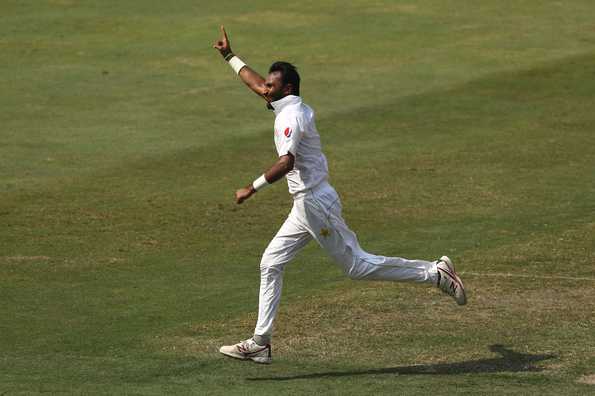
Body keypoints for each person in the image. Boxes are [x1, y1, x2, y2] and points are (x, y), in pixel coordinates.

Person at [212, 26, 466, 364]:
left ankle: (434, 273)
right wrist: (230, 56)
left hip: (316, 203)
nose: (264, 89)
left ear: (285, 88)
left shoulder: (292, 117)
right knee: (270, 263)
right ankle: (261, 342)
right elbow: (256, 83)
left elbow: (287, 161)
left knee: (357, 267)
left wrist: (252, 187)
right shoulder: (284, 102)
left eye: (271, 85)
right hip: (305, 205)